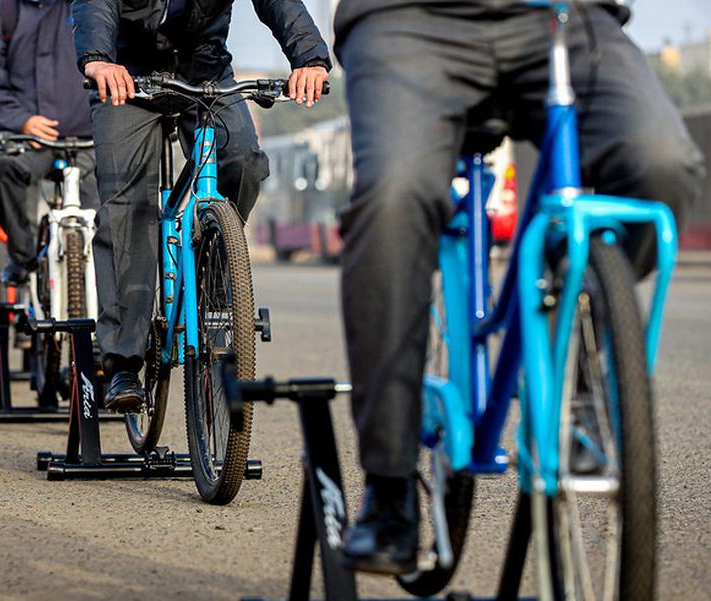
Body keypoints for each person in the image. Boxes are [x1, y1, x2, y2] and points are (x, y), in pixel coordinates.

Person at [332, 0, 706, 574]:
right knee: (393, 198)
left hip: (561, 13)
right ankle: (389, 484)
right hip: (408, 17)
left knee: (659, 165)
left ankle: (580, 357)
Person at [74, 0, 332, 412]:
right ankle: (123, 362)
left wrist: (310, 59)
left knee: (243, 160)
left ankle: (214, 255)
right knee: (128, 209)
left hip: (205, 71)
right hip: (128, 77)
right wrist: (98, 58)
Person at [0, 0, 99, 286]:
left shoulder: (88, 5)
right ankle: (25, 257)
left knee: (110, 223)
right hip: (31, 140)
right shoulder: (3, 13)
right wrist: (23, 120)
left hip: (92, 138)